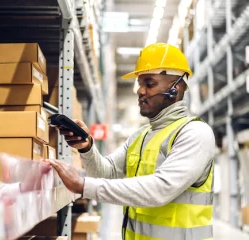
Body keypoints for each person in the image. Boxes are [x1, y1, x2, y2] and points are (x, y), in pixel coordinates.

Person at [48, 43, 215, 240]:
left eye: (149, 83)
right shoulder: (141, 135)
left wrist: (83, 186)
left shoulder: (195, 133)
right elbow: (106, 173)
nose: (140, 91)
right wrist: (87, 148)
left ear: (174, 87)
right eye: (140, 83)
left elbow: (160, 189)